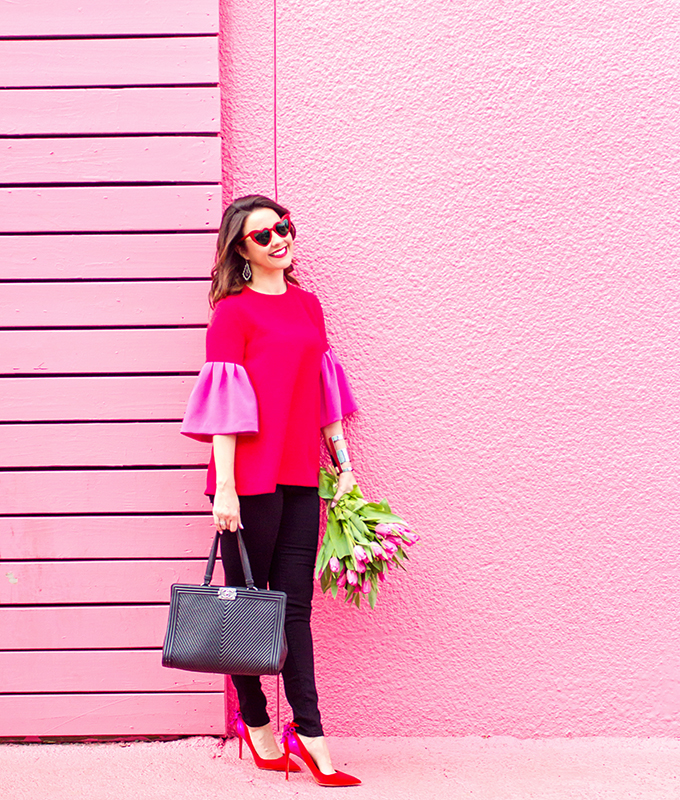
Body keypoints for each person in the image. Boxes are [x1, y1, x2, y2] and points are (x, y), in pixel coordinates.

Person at [180, 195, 361, 787]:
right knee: (244, 607)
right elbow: (224, 408)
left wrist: (343, 464)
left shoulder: (308, 305)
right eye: (263, 235)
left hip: (301, 474)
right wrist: (226, 490)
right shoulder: (232, 314)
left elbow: (324, 388)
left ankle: (308, 730)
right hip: (248, 481)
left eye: (283, 227)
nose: (279, 238)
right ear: (241, 248)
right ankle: (256, 722)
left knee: (294, 609)